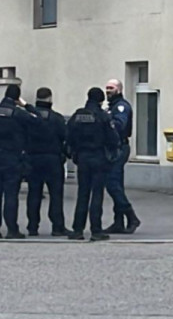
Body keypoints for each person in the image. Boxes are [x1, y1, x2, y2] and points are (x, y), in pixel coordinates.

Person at [0, 84, 39, 239]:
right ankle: (12, 229)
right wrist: (27, 106)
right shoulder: (18, 114)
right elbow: (39, 123)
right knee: (11, 195)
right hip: (12, 158)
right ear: (17, 98)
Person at [66, 87, 121, 241]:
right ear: (101, 100)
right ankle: (96, 230)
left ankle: (78, 230)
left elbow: (68, 136)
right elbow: (113, 139)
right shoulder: (103, 116)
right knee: (97, 194)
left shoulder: (77, 115)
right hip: (98, 157)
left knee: (82, 193)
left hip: (82, 158)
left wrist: (74, 152)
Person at [25, 87, 69, 237]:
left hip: (33, 159)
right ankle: (57, 226)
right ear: (50, 99)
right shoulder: (57, 118)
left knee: (34, 194)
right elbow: (65, 138)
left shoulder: (29, 117)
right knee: (56, 195)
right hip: (53, 160)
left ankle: (32, 227)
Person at [105, 79, 141, 234]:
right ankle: (118, 221)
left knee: (112, 184)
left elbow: (119, 126)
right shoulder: (111, 107)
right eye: (107, 88)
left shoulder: (121, 107)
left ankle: (131, 217)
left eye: (111, 88)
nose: (108, 91)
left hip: (119, 148)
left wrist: (106, 120)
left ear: (119, 90)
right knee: (116, 184)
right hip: (114, 148)